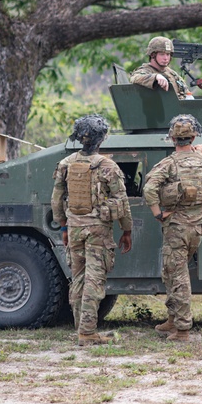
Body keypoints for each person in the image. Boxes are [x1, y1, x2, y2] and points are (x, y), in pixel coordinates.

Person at [51, 115, 133, 346]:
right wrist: (126, 230)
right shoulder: (108, 166)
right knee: (94, 280)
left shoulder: (66, 164)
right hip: (98, 231)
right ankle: (87, 333)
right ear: (102, 139)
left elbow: (56, 201)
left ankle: (82, 329)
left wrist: (64, 227)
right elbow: (122, 202)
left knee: (78, 278)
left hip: (75, 228)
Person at [143, 114, 202, 341]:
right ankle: (172, 319)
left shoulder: (169, 164)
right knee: (171, 272)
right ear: (194, 135)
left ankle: (183, 329)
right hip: (197, 226)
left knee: (177, 275)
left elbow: (149, 189)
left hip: (176, 227)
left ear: (171, 138)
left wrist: (158, 214)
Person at [130, 36, 194, 100]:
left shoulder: (172, 73)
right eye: (162, 54)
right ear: (153, 55)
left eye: (168, 54)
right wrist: (156, 77)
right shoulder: (146, 70)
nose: (166, 58)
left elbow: (186, 92)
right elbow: (134, 78)